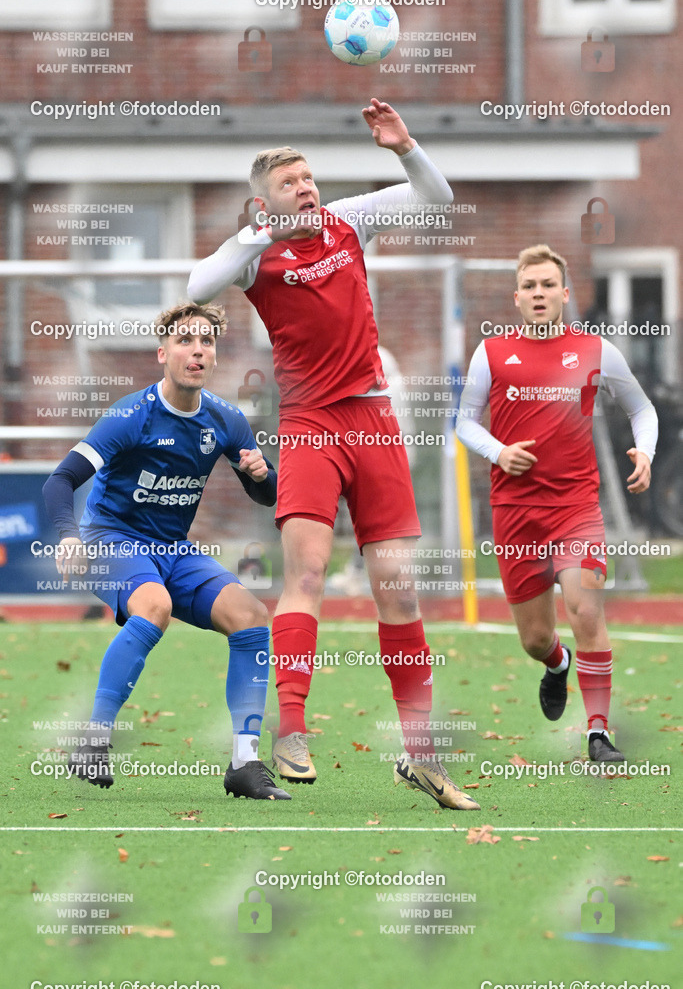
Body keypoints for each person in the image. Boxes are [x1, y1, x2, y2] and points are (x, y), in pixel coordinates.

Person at [188, 98, 479, 811]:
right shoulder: (257, 255)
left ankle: (422, 758)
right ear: (265, 201)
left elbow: (435, 197)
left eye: (309, 178)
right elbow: (197, 287)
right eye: (292, 185)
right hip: (312, 424)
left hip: (374, 421)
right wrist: (256, 233)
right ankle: (290, 731)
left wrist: (404, 146)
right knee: (309, 573)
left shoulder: (347, 220)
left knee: (399, 591)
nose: (307, 189)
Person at [42, 302, 290, 801]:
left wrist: (264, 476)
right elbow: (61, 480)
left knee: (251, 615)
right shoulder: (129, 415)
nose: (197, 350)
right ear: (163, 353)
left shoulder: (226, 420)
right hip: (110, 539)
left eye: (207, 342)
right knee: (154, 606)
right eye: (185, 340)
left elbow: (266, 496)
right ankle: (93, 740)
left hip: (172, 549)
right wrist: (67, 536)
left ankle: (244, 763)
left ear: (214, 356)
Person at [455, 245, 658, 762]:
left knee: (586, 609)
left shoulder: (596, 351)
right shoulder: (492, 352)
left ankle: (597, 732)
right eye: (531, 286)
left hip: (576, 509)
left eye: (549, 285)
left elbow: (641, 407)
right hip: (515, 514)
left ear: (565, 294)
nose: (539, 294)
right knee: (535, 637)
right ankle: (556, 664)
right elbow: (465, 422)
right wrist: (500, 452)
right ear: (517, 297)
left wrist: (646, 450)